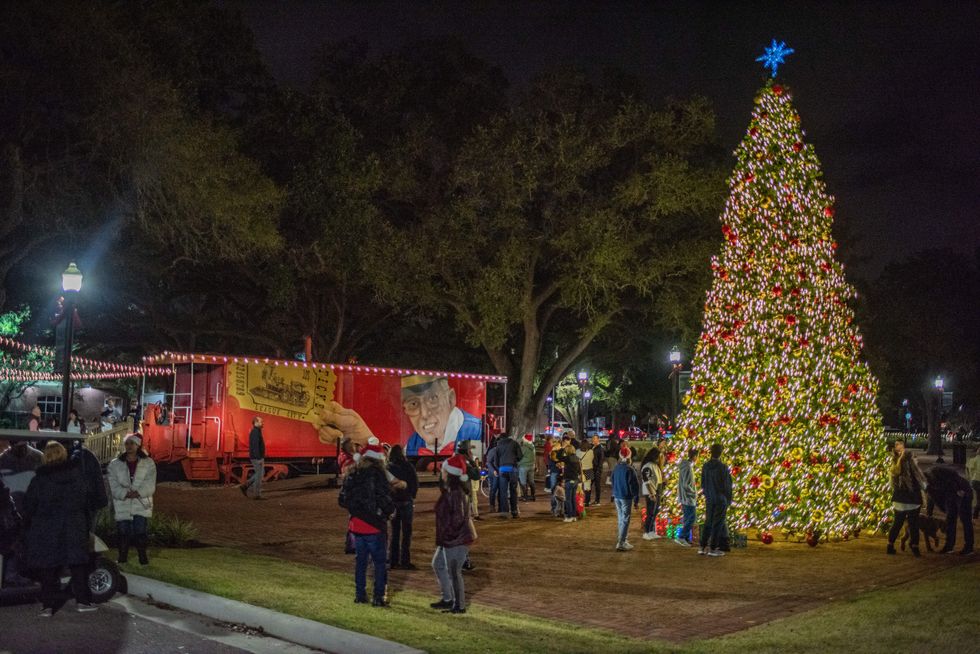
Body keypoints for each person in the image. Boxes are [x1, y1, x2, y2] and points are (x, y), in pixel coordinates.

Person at [23, 442, 96, 615]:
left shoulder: (40, 480)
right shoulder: (77, 476)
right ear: (63, 455)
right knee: (77, 565)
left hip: (47, 528)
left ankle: (47, 606)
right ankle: (82, 601)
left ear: (46, 457)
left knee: (47, 567)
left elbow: (29, 505)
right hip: (74, 526)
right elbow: (87, 500)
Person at [339, 443, 395, 607]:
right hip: (375, 525)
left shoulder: (353, 473)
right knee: (379, 563)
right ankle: (378, 597)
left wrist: (355, 510)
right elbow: (384, 498)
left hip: (357, 525)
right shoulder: (378, 474)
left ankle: (360, 594)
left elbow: (342, 499)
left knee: (361, 562)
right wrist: (389, 511)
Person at [431, 454, 475, 614]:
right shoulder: (451, 491)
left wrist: (447, 536)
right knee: (438, 564)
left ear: (450, 474)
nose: (441, 473)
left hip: (455, 540)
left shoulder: (455, 493)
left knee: (454, 573)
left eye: (443, 470)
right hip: (450, 539)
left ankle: (459, 605)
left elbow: (457, 520)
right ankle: (448, 598)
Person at [400, 376, 483, 457]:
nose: (424, 414)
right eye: (413, 404)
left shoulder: (478, 431)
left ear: (450, 399)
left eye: (433, 398)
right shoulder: (412, 444)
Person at [107, 434, 157, 565]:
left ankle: (143, 558)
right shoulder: (115, 464)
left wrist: (138, 493)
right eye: (127, 443)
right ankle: (122, 558)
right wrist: (124, 493)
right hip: (123, 503)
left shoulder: (148, 463)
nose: (129, 446)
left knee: (140, 532)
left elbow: (150, 482)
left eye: (132, 443)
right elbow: (112, 483)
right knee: (123, 532)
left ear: (137, 445)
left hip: (141, 503)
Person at [886, 440, 926, 557]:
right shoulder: (909, 459)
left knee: (897, 523)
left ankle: (890, 545)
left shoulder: (893, 461)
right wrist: (925, 486)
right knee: (913, 524)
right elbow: (918, 475)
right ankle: (915, 547)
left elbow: (892, 482)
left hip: (899, 496)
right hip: (912, 496)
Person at [925, 465, 974, 556]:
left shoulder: (937, 474)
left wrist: (960, 493)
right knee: (950, 519)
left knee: (965, 520)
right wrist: (929, 513)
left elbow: (954, 479)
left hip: (963, 492)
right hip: (951, 494)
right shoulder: (930, 485)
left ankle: (969, 547)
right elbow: (932, 499)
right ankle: (949, 546)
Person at [386, 445, 419, 570]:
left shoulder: (388, 468)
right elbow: (414, 483)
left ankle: (393, 560)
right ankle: (405, 560)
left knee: (394, 532)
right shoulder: (408, 466)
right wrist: (411, 495)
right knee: (406, 533)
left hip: (394, 502)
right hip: (406, 501)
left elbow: (385, 485)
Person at [699, 443, 732, 557]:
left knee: (708, 522)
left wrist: (707, 494)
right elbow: (727, 485)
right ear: (720, 453)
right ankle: (713, 548)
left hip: (709, 498)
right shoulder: (723, 467)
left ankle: (702, 546)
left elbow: (703, 483)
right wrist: (728, 499)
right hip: (720, 498)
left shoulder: (705, 466)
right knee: (717, 523)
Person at [611, 446, 640, 551]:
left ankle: (622, 539)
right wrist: (636, 500)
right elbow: (635, 486)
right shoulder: (630, 469)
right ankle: (621, 542)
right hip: (626, 497)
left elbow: (612, 481)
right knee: (625, 519)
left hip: (617, 496)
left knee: (621, 518)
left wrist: (613, 493)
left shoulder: (616, 467)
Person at [494, 432, 522, 518]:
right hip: (512, 469)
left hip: (502, 470)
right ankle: (514, 512)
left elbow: (495, 461)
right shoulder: (514, 443)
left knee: (503, 492)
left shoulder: (498, 446)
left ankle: (504, 513)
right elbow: (520, 456)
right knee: (513, 491)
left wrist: (499, 467)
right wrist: (515, 460)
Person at [675, 447, 698, 547]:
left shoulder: (685, 466)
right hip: (688, 498)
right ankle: (681, 537)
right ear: (694, 456)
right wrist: (693, 493)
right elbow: (686, 484)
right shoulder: (688, 467)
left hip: (685, 497)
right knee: (692, 518)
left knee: (687, 517)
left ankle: (686, 538)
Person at [640, 447, 664, 541]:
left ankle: (651, 531)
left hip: (657, 492)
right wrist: (651, 494)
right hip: (651, 493)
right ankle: (646, 532)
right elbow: (647, 481)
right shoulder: (648, 466)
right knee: (650, 512)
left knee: (655, 512)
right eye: (659, 457)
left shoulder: (655, 465)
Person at [560, 438, 584, 522]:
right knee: (573, 499)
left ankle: (569, 516)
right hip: (575, 480)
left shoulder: (567, 458)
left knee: (568, 499)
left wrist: (562, 448)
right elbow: (579, 471)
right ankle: (574, 516)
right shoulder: (577, 458)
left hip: (569, 480)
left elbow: (559, 457)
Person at [243, 416, 265, 499]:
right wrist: (258, 458)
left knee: (260, 474)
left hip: (257, 457)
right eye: (261, 422)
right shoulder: (255, 432)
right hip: (257, 458)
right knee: (259, 476)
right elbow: (255, 446)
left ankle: (245, 485)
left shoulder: (257, 431)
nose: (262, 423)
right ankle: (256, 495)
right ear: (256, 422)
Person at [518, 434, 536, 502]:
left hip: (523, 466)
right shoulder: (533, 446)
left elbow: (519, 456)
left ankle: (525, 497)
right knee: (531, 481)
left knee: (523, 482)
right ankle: (533, 496)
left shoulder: (524, 447)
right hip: (531, 466)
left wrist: (518, 463)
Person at [577, 438, 595, 506]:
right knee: (587, 487)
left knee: (579, 486)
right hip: (588, 470)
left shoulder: (577, 451)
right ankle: (587, 501)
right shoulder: (591, 451)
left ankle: (579, 501)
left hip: (580, 470)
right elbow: (592, 459)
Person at [590, 436, 605, 505]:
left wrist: (598, 470)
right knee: (589, 485)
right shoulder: (592, 447)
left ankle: (597, 500)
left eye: (594, 439)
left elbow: (601, 460)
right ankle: (588, 499)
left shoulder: (600, 448)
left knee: (597, 485)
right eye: (592, 439)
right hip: (592, 469)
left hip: (597, 469)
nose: (593, 440)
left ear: (598, 440)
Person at [967, 451, 980, 520]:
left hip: (974, 481)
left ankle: (975, 515)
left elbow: (970, 470)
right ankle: (975, 514)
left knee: (978, 498)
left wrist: (971, 479)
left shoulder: (973, 460)